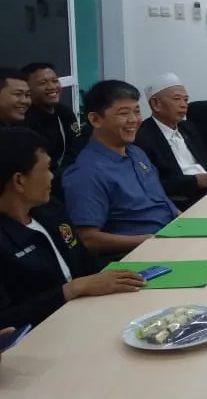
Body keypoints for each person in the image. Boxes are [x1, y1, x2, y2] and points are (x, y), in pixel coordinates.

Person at [0, 128, 145, 330]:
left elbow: (84, 260)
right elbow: (6, 319)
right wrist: (71, 289)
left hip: (92, 309)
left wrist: (134, 270)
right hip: (49, 330)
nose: (52, 176)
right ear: (19, 180)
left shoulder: (50, 210)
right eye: (46, 169)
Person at [62, 80, 179, 256]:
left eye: (137, 111)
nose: (133, 120)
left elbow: (163, 203)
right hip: (138, 255)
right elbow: (89, 239)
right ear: (95, 119)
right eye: (123, 113)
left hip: (172, 238)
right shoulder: (86, 172)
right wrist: (152, 241)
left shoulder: (136, 153)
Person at [134, 74, 207, 211]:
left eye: (186, 99)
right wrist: (193, 182)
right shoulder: (142, 136)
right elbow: (152, 183)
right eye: (177, 99)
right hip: (182, 200)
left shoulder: (188, 127)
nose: (184, 105)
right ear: (155, 104)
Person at [21, 62, 80, 168]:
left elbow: (76, 147)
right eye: (43, 83)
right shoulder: (23, 120)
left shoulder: (65, 113)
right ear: (27, 89)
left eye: (55, 81)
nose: (52, 87)